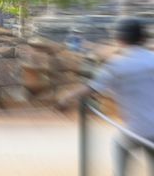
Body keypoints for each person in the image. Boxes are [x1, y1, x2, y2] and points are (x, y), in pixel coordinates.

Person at [58, 17, 154, 176]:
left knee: (120, 146)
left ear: (119, 39)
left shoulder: (117, 65)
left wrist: (65, 99)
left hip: (137, 129)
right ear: (143, 38)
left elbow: (90, 88)